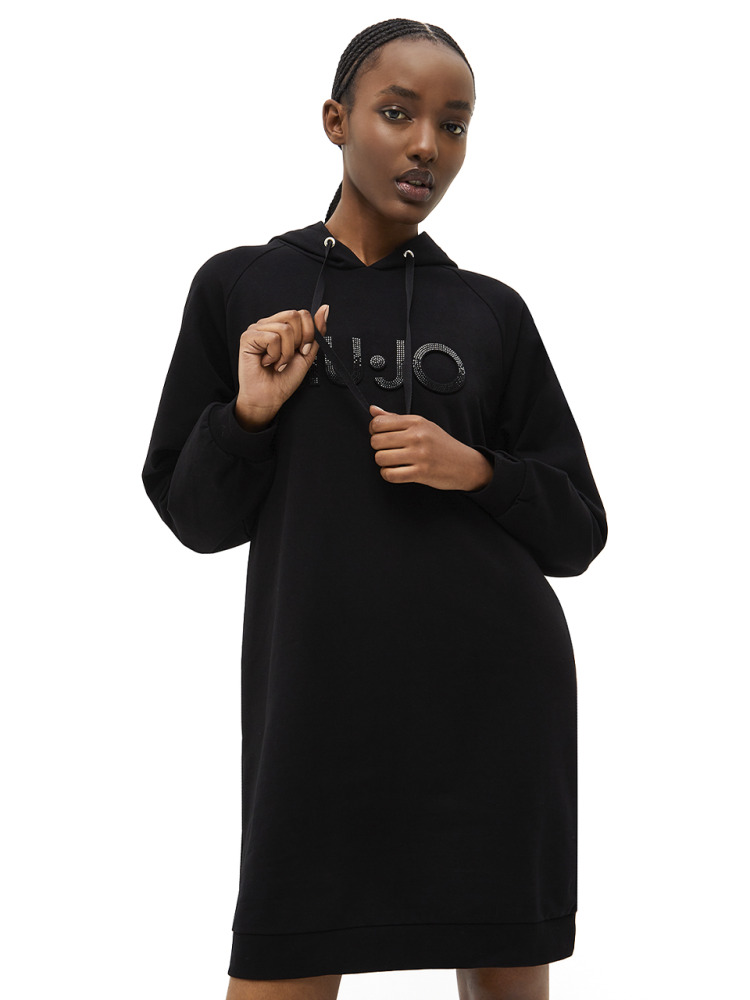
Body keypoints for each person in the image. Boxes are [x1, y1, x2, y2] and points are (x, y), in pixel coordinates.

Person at [141, 18, 608, 1000]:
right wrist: (248, 415)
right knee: (285, 961)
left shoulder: (490, 310)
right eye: (398, 113)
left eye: (454, 123)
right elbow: (195, 518)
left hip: (492, 700)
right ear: (335, 119)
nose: (426, 145)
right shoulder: (242, 285)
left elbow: (578, 530)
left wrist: (474, 469)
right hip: (318, 707)